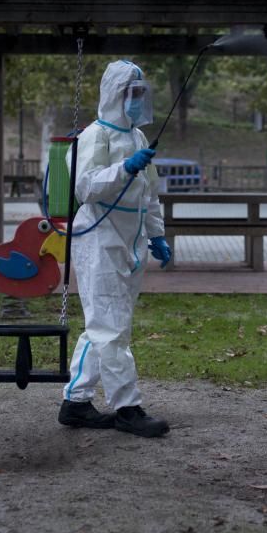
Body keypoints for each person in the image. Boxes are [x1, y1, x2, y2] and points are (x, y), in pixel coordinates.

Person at [58, 60, 173, 438]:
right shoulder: (95, 136)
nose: (137, 101)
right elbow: (85, 187)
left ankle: (76, 402)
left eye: (142, 93)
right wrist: (124, 168)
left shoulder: (138, 138)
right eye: (132, 93)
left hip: (131, 240)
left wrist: (157, 234)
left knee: (108, 324)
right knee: (110, 326)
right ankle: (127, 407)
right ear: (115, 94)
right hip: (99, 239)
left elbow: (149, 193)